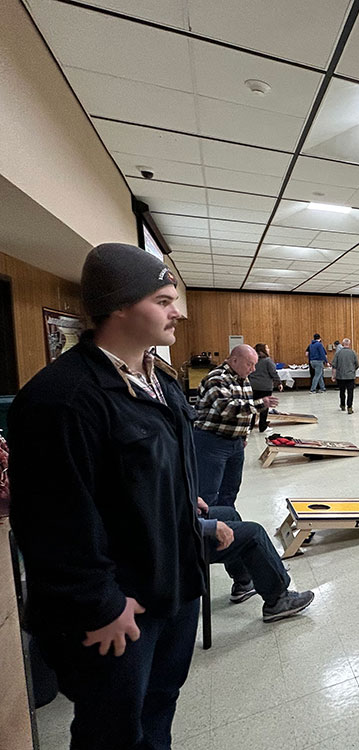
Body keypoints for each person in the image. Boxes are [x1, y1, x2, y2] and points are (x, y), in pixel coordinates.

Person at [8, 243, 205, 749]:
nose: (177, 311)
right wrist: (99, 604)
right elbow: (51, 518)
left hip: (173, 583)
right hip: (119, 610)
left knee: (160, 706)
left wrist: (184, 503)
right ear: (120, 306)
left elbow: (153, 466)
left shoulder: (157, 378)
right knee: (112, 730)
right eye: (164, 300)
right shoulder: (62, 398)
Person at [197, 499, 314, 622]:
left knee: (230, 514)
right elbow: (176, 527)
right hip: (184, 541)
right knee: (254, 534)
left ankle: (243, 582)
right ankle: (278, 600)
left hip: (188, 521)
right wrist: (209, 526)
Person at [194, 345, 278, 508]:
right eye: (249, 364)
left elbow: (244, 413)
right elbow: (227, 408)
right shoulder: (217, 378)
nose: (253, 369)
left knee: (230, 489)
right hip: (212, 441)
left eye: (254, 365)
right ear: (234, 360)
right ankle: (209, 527)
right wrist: (261, 403)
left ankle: (227, 521)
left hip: (235, 443)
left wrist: (243, 436)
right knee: (208, 491)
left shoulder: (243, 379)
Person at [248, 342, 282, 433]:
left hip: (253, 386)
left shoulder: (253, 360)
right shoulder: (267, 360)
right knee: (264, 407)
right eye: (267, 348)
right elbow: (273, 372)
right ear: (262, 350)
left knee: (253, 405)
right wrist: (279, 382)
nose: (269, 350)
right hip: (265, 387)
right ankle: (262, 426)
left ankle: (250, 426)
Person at [333, 337, 359, 413]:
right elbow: (357, 364)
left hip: (340, 376)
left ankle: (342, 405)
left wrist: (333, 376)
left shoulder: (338, 353)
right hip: (350, 376)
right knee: (350, 392)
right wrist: (353, 370)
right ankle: (350, 407)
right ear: (349, 344)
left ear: (342, 344)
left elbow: (334, 365)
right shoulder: (353, 352)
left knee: (342, 391)